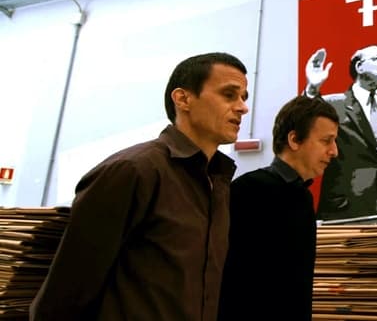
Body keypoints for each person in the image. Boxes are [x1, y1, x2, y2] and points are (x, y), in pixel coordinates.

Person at [30, 52, 250, 321]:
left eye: (244, 98)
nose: (242, 108)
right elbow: (66, 293)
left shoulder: (218, 182)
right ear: (183, 99)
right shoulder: (133, 171)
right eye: (229, 95)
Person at [218, 95, 339, 321]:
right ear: (294, 140)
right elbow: (231, 280)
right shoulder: (248, 191)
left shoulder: (302, 196)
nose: (334, 151)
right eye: (326, 141)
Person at [303, 45, 377, 220]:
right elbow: (301, 123)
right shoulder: (333, 104)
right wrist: (312, 89)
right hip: (345, 210)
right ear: (359, 67)